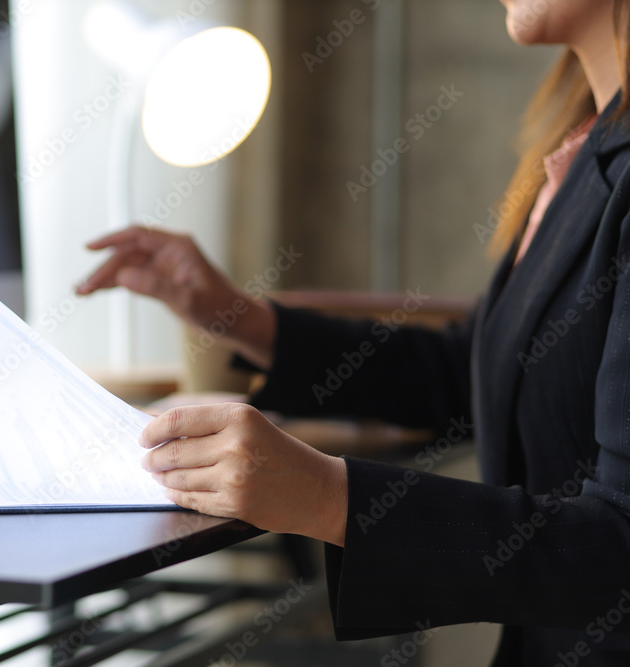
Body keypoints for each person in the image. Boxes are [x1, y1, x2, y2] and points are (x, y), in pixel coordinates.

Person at [76, 1, 630, 664]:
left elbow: (619, 546)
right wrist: (239, 316)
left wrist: (322, 494)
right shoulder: (579, 146)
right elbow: (467, 366)